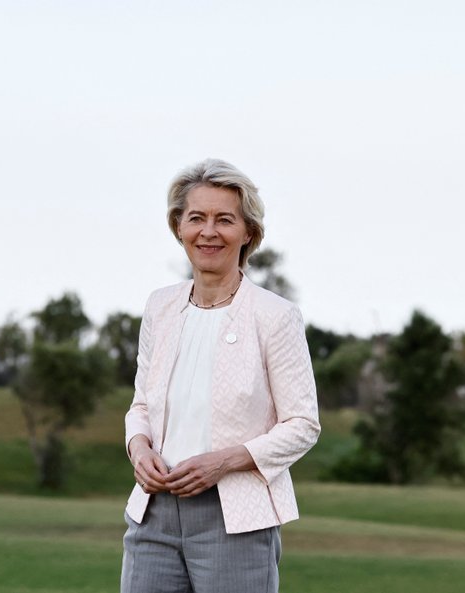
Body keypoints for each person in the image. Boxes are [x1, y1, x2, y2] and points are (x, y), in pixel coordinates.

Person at [121, 159, 320, 593]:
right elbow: (140, 406)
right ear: (179, 226)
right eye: (196, 218)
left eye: (224, 220)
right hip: (152, 516)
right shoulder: (159, 307)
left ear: (248, 232)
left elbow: (303, 425)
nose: (208, 232)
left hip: (236, 520)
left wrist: (223, 462)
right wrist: (139, 450)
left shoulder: (276, 316)